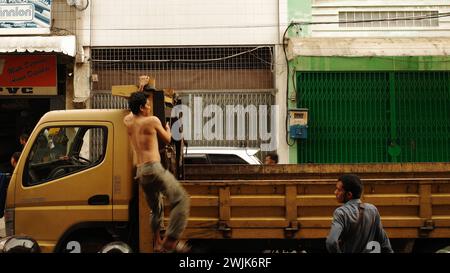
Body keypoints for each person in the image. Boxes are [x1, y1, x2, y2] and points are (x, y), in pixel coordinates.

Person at [123, 91, 190, 253]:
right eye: (146, 104)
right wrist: (167, 128)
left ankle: (157, 242)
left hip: (141, 173)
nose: (149, 107)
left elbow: (133, 111)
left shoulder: (128, 122)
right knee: (181, 200)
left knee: (156, 209)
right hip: (153, 168)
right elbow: (167, 139)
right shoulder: (152, 121)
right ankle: (171, 241)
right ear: (141, 107)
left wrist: (140, 89)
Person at [326, 174, 393, 253]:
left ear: (349, 194)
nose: (335, 192)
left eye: (339, 190)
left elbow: (331, 242)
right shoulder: (372, 210)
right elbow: (384, 242)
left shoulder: (341, 213)